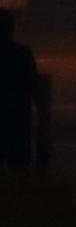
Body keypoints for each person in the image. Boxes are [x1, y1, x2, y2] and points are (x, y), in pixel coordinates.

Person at [0, 9, 38, 170]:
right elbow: (33, 84)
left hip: (13, 116)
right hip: (17, 117)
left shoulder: (21, 53)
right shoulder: (22, 53)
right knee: (18, 166)